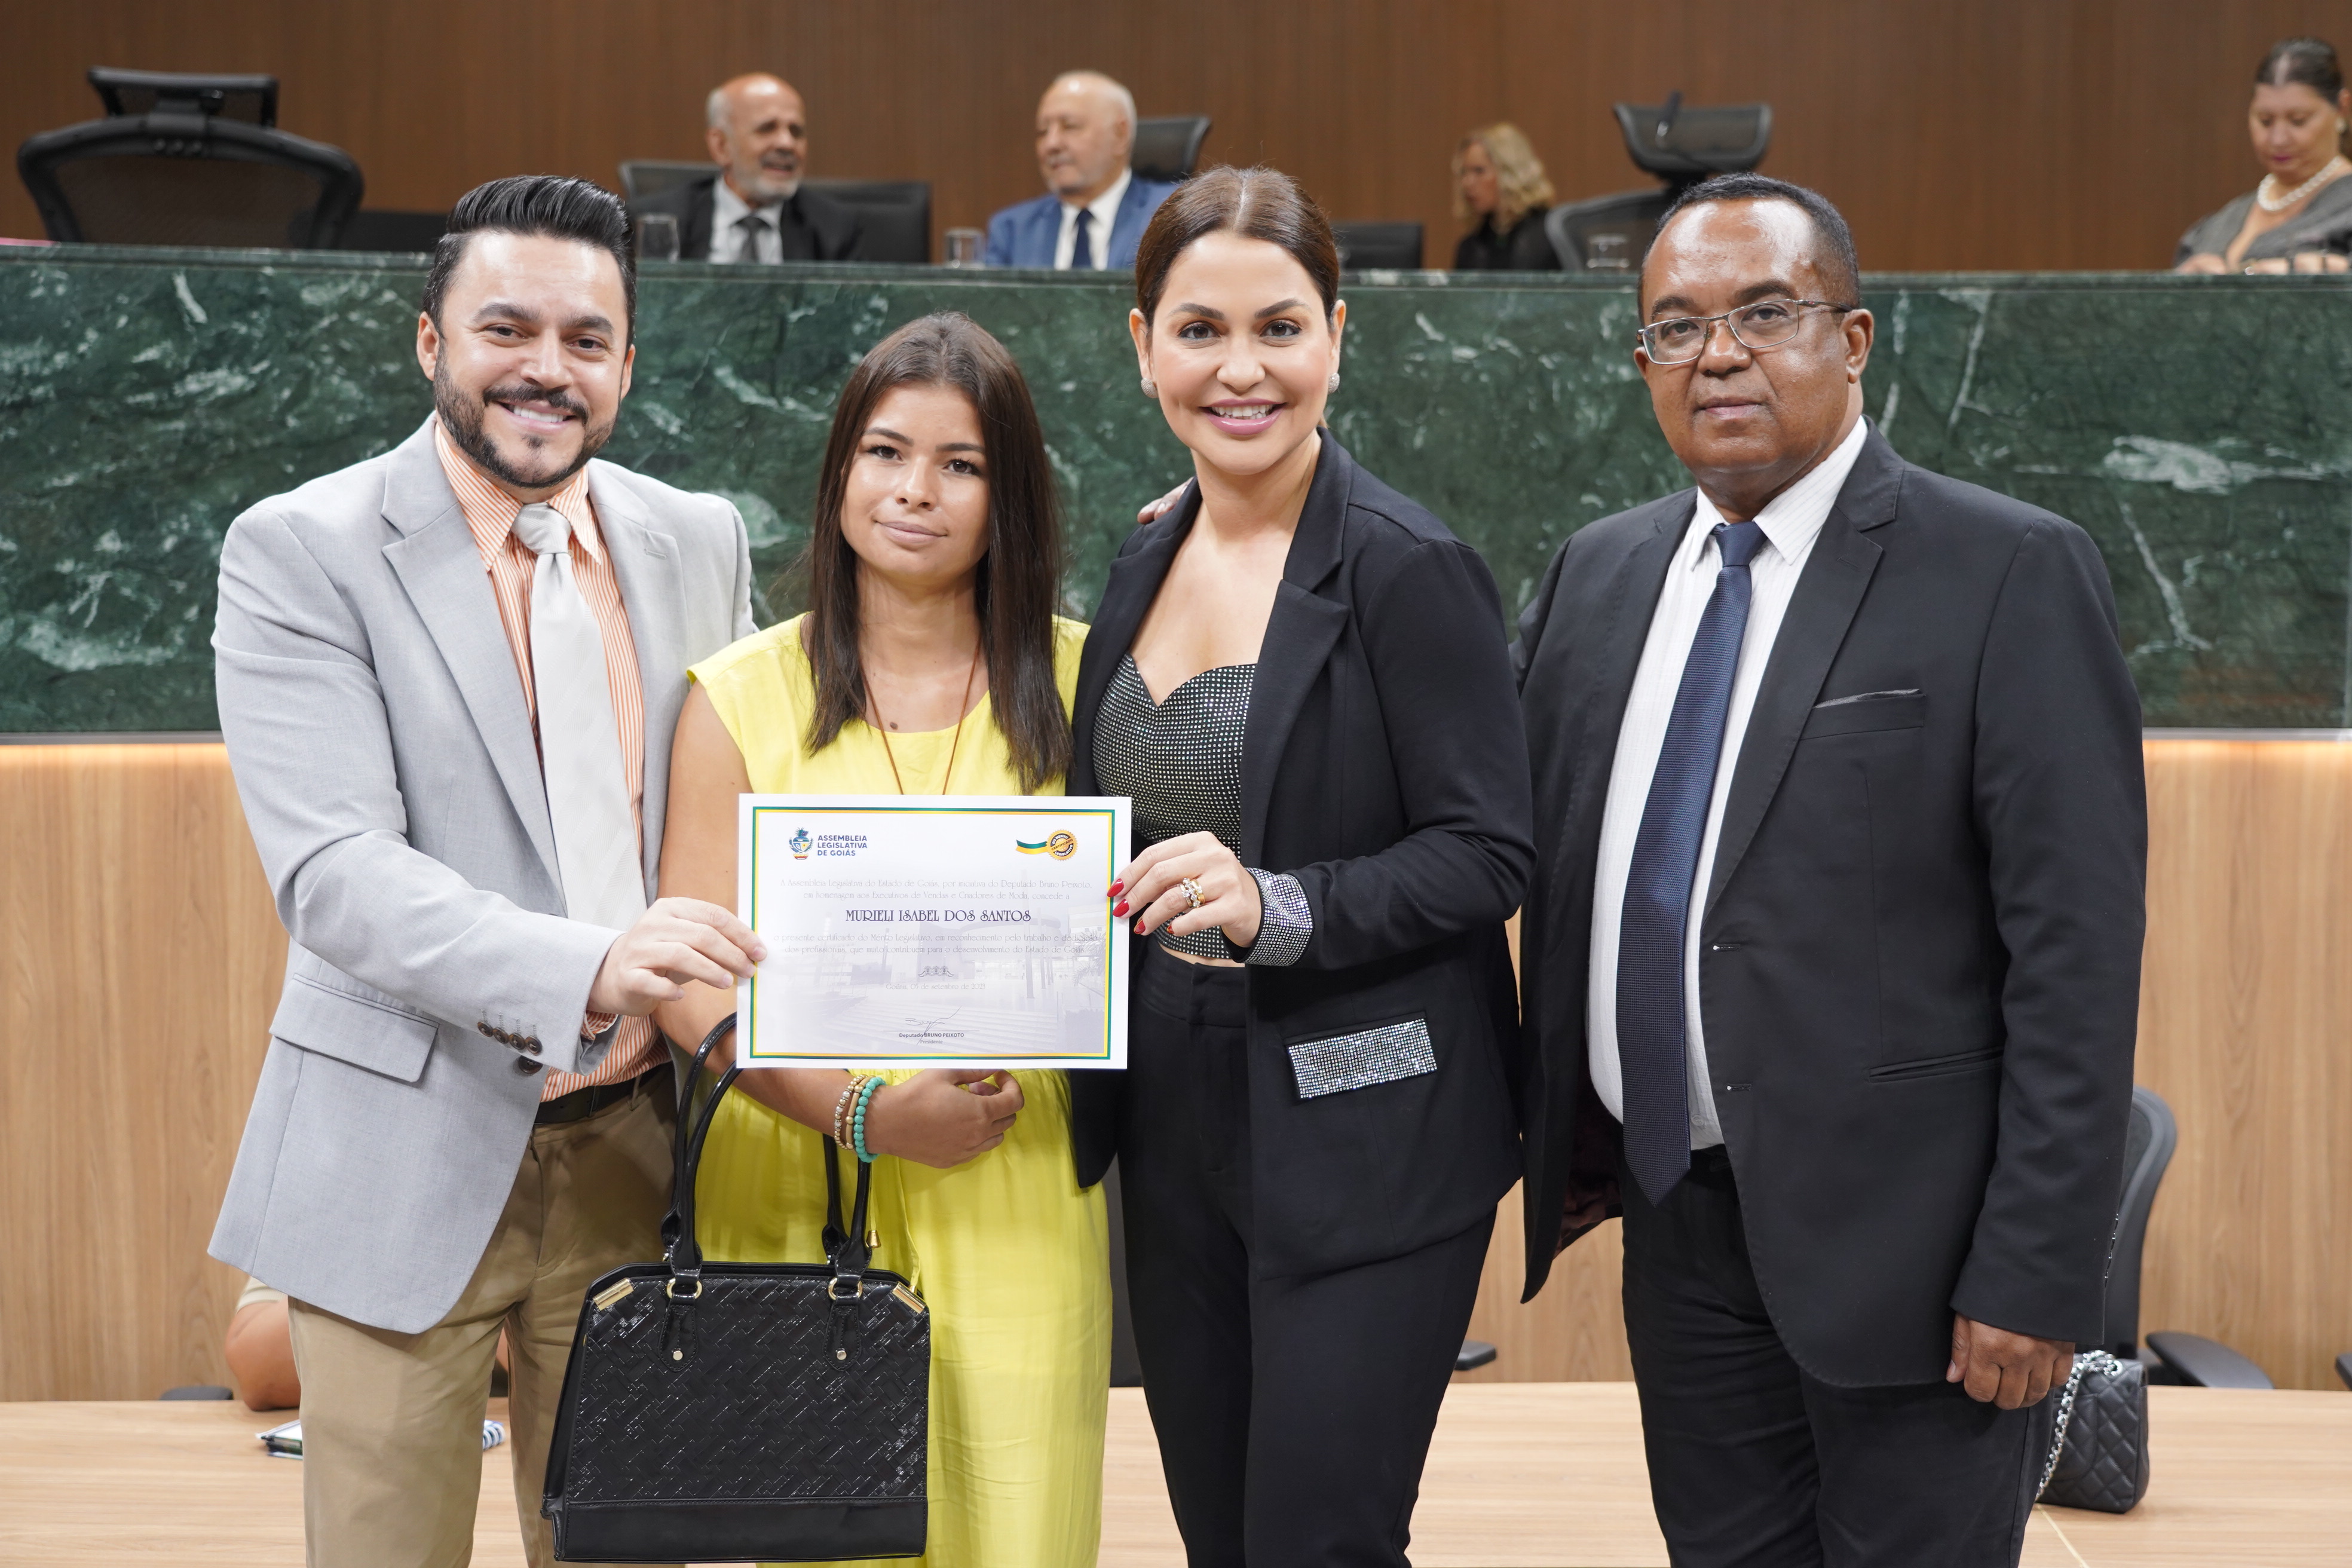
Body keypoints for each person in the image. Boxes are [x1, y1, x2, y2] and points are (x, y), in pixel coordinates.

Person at [1514, 172, 2145, 1567]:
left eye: (1764, 313)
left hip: (1922, 1263)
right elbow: (1499, 833)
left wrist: (2037, 1269)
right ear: (1642, 362)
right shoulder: (1598, 576)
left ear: (1852, 339)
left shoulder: (2007, 569)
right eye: (1677, 326)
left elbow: (2078, 957)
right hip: (1678, 1225)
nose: (1718, 354)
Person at [207, 174, 762, 1567]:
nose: (545, 369)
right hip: (403, 1139)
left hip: (644, 1150)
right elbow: (337, 873)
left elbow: (752, 815)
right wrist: (592, 963)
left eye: (586, 339)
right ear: (431, 341)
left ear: (627, 363)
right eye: (506, 328)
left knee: (629, 1552)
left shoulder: (700, 538)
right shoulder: (302, 548)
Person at [1067, 166, 1533, 1567]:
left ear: (1337, 335)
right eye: (1199, 330)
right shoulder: (1144, 552)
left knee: (1320, 1541)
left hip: (1367, 1119)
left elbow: (1489, 850)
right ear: (1142, 344)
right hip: (1167, 1111)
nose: (1241, 368)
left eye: (1279, 327)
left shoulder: (1406, 564)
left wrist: (1279, 903)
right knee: (1220, 1534)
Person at [655, 311, 1108, 1567]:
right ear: (840, 469)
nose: (915, 491)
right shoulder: (736, 695)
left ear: (1010, 498)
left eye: (962, 464)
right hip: (790, 1171)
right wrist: (861, 1110)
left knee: (1016, 1526)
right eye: (886, 451)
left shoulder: (1089, 685)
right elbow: (689, 984)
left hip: (1009, 1166)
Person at [631, 72, 863, 262]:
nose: (787, 144)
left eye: (796, 132)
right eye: (767, 129)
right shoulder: (650, 223)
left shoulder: (836, 229)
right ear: (721, 146)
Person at [2177, 38, 2352, 273]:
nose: (2278, 139)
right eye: (2265, 121)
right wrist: (2182, 284)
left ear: (2342, 108)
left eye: (2298, 121)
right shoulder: (2220, 223)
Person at [983, 72, 1179, 269]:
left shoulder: (1171, 214)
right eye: (1043, 131)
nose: (1051, 144)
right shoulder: (1012, 230)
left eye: (1070, 127)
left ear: (1120, 135)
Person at [1451, 124, 1561, 271]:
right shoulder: (1471, 248)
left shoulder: (1551, 235)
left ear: (1510, 173)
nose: (1467, 183)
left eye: (1479, 171)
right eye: (1464, 173)